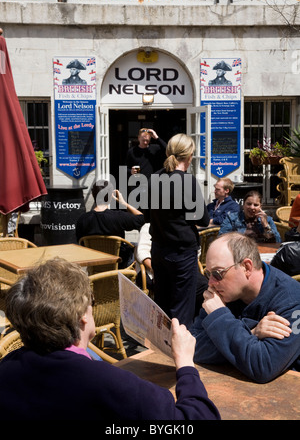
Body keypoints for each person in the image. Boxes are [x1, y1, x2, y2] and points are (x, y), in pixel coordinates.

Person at [0, 258, 221, 421]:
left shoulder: (7, 367)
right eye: (91, 301)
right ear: (82, 317)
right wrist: (185, 365)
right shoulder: (106, 383)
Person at [191, 232, 300, 383]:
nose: (210, 283)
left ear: (247, 267)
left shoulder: (292, 300)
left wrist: (220, 316)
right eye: (208, 273)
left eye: (217, 273)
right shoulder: (222, 293)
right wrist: (252, 331)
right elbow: (192, 345)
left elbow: (262, 366)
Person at [149, 134, 209, 328]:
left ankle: (161, 352)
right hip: (181, 252)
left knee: (163, 306)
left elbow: (148, 212)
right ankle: (180, 355)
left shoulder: (155, 178)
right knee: (182, 311)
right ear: (190, 155)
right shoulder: (186, 180)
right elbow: (204, 219)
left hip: (158, 249)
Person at [76, 180, 144, 267]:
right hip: (119, 264)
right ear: (110, 197)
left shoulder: (82, 219)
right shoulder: (118, 217)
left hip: (95, 264)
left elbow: (80, 242)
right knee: (138, 247)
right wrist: (123, 203)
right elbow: (141, 219)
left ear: (93, 195)